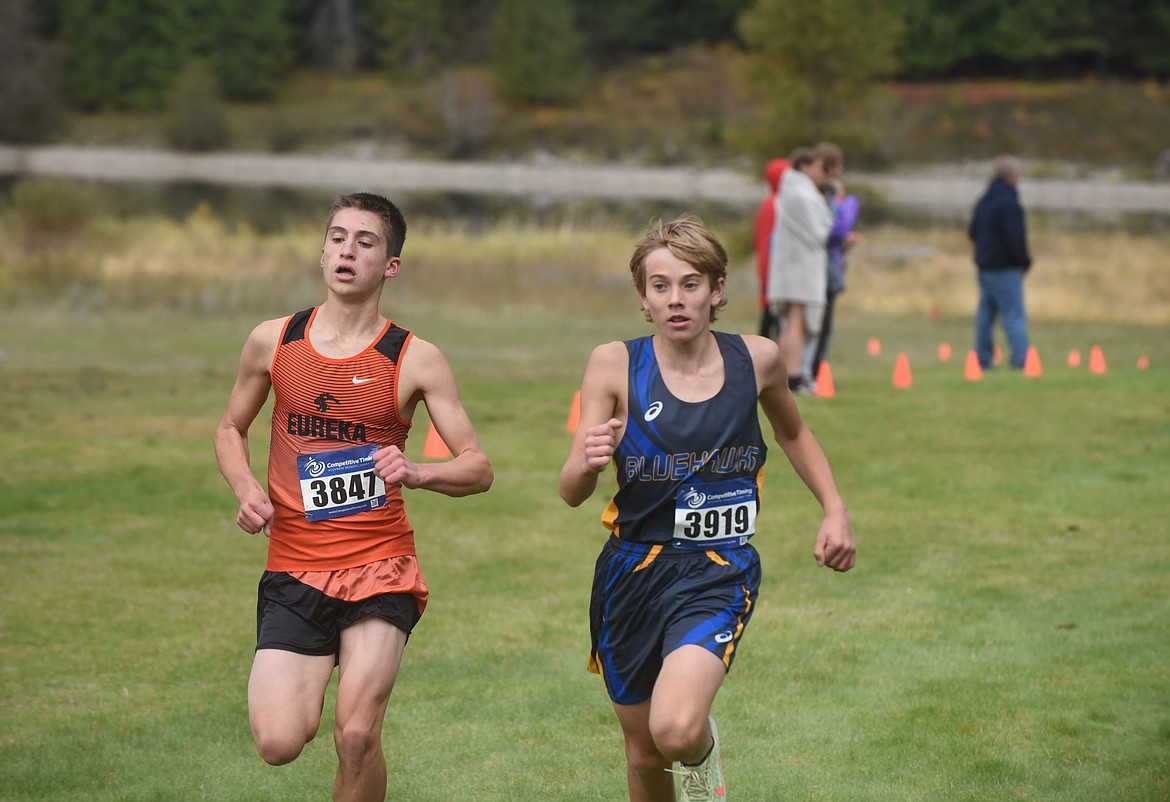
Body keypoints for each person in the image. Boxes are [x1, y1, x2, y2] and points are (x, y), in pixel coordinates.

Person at [559, 216, 856, 802]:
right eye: (661, 285)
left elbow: (793, 434)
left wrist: (834, 509)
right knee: (644, 753)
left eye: (691, 284)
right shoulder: (614, 364)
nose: (676, 299)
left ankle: (702, 758)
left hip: (718, 569)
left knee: (676, 728)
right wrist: (588, 463)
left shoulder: (758, 360)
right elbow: (570, 489)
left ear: (717, 291)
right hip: (631, 572)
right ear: (643, 298)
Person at [214, 192, 493, 802]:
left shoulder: (414, 358)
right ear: (322, 252)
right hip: (294, 566)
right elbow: (229, 428)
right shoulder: (274, 340)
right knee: (278, 741)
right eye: (338, 238)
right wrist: (245, 487)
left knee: (357, 735)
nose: (348, 250)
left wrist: (417, 471)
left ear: (390, 265)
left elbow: (478, 468)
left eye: (365, 242)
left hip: (380, 565)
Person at [766, 147, 834, 394]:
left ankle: (788, 374)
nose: (821, 172)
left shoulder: (795, 191)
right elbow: (819, 232)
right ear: (803, 166)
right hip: (799, 269)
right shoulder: (800, 194)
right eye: (817, 167)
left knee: (794, 322)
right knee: (795, 321)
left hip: (797, 267)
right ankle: (793, 376)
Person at [968, 154, 1032, 369]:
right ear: (1012, 176)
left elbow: (973, 232)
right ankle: (1021, 359)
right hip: (1005, 267)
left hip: (984, 267)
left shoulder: (984, 200)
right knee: (1013, 313)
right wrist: (1022, 260)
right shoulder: (1009, 202)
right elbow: (1015, 236)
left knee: (985, 316)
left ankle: (983, 359)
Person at [807, 141, 862, 383]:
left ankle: (814, 369)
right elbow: (836, 229)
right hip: (822, 269)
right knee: (820, 322)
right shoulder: (825, 194)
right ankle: (815, 370)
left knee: (818, 321)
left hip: (826, 263)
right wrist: (847, 201)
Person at [753, 158, 789, 339]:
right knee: (775, 314)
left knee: (769, 312)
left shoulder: (767, 203)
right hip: (774, 265)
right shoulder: (780, 204)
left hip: (765, 263)